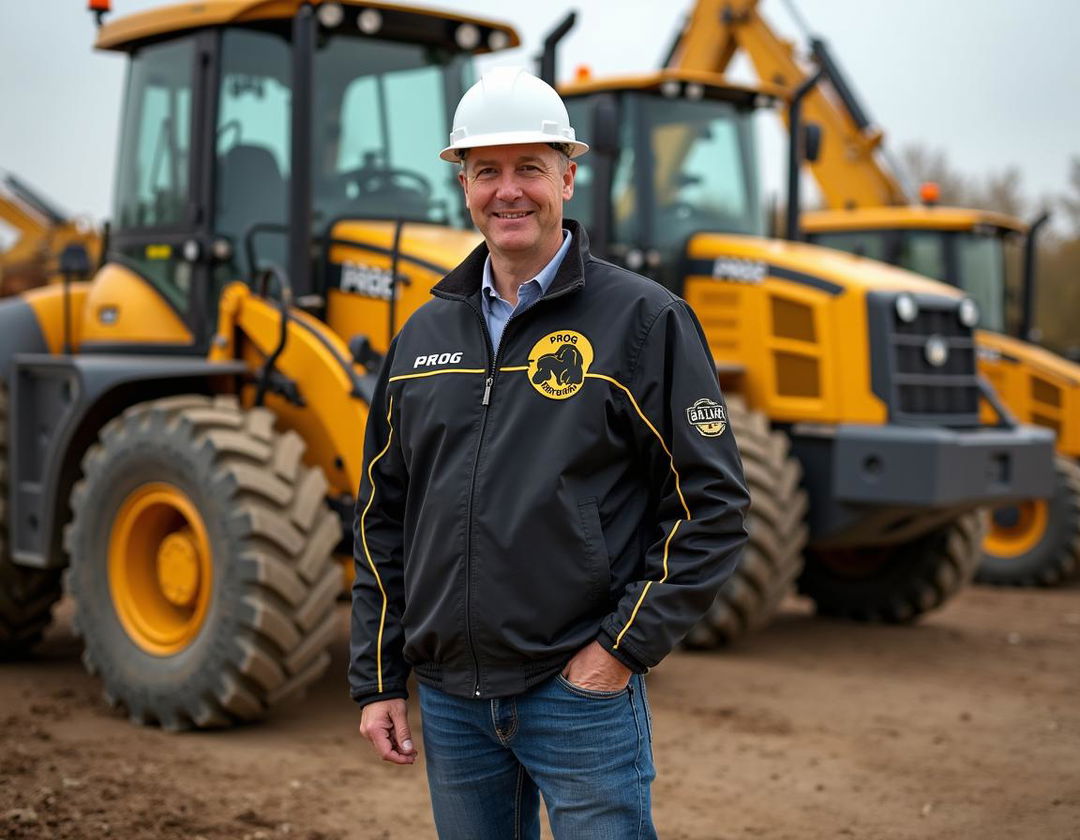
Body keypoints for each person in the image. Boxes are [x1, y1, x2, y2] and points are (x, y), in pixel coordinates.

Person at [350, 66, 750, 839]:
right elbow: (380, 517)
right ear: (462, 185)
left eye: (529, 168)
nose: (509, 191)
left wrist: (616, 655)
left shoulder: (644, 321)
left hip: (577, 698)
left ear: (568, 177)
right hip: (452, 705)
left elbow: (713, 509)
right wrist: (377, 681)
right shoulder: (423, 337)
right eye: (487, 171)